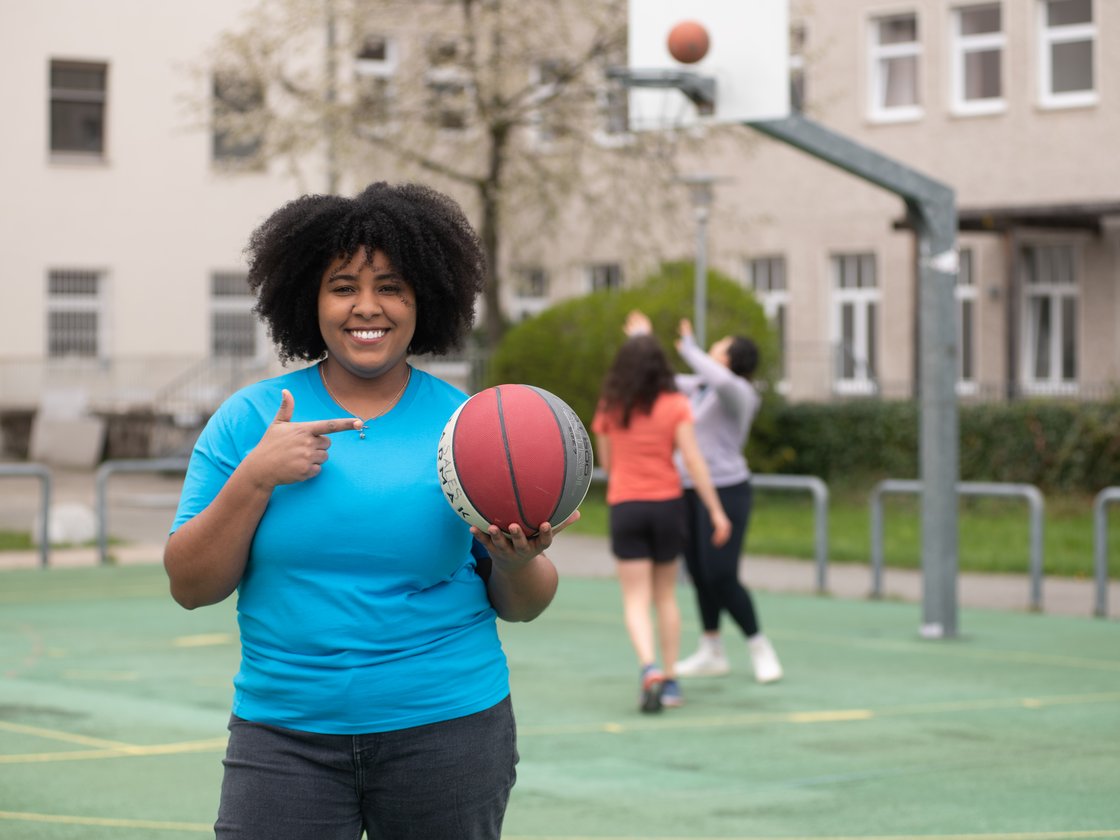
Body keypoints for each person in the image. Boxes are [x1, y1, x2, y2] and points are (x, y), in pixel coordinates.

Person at [163, 182, 573, 840]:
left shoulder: (465, 427)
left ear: (423, 301)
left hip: (448, 730)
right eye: (343, 285)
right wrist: (256, 478)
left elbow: (524, 603)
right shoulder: (250, 420)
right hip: (284, 736)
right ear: (308, 298)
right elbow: (189, 586)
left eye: (391, 286)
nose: (367, 307)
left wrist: (519, 562)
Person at [626, 311, 782, 684]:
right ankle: (712, 648)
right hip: (688, 490)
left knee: (722, 573)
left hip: (728, 490)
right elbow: (657, 376)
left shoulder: (740, 392)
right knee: (697, 572)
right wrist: (642, 340)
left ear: (730, 359)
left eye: (721, 346)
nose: (714, 348)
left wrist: (690, 347)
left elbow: (720, 379)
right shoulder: (699, 387)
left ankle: (759, 645)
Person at [591, 312, 732, 713]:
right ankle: (670, 679)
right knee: (666, 595)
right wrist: (716, 511)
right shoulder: (675, 404)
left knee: (635, 598)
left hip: (627, 505)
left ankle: (648, 667)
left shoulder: (611, 405)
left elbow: (608, 462)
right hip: (667, 505)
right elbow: (693, 461)